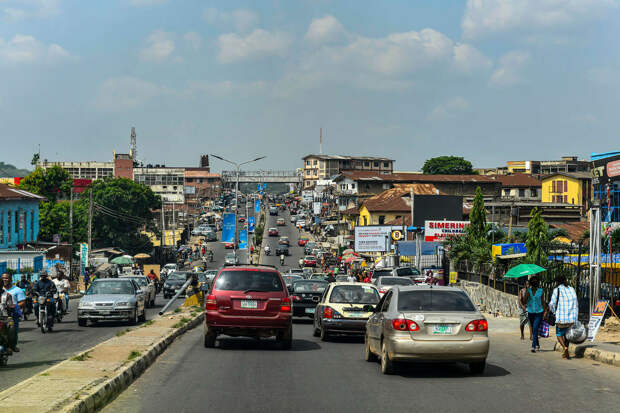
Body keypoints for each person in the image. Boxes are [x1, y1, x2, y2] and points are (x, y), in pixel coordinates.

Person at [547, 275, 578, 359]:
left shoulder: (557, 290)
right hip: (571, 318)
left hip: (561, 317)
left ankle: (565, 348)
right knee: (567, 335)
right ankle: (565, 351)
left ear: (557, 282)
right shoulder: (572, 289)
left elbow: (552, 304)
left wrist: (553, 312)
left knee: (559, 335)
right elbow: (576, 303)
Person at [523, 276, 546, 353]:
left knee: (535, 328)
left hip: (539, 312)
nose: (535, 282)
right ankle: (537, 344)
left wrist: (545, 312)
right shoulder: (528, 291)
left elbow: (543, 302)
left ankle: (533, 346)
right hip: (530, 312)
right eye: (533, 281)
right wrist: (526, 294)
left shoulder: (541, 291)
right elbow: (524, 301)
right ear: (531, 283)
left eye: (536, 281)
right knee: (533, 329)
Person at [2, 273, 23, 353]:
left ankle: (12, 345)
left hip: (9, 316)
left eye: (6, 278)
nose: (4, 280)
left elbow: (14, 304)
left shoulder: (8, 295)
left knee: (12, 328)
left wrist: (12, 307)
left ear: (11, 279)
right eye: (3, 278)